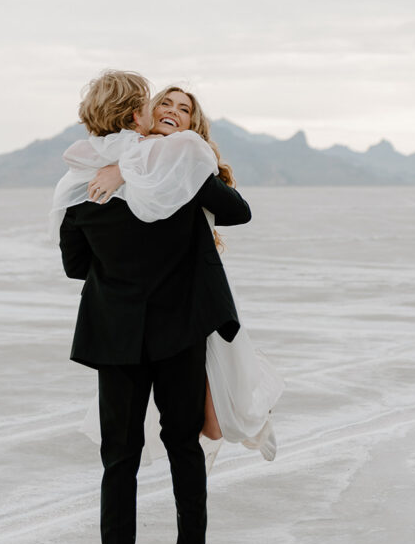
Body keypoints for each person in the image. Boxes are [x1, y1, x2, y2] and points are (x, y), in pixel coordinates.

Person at [55, 70, 253, 544]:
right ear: (135, 114)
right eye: (150, 104)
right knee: (182, 445)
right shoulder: (177, 171)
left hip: (114, 336)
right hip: (178, 334)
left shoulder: (77, 187)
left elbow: (76, 266)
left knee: (119, 457)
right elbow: (238, 211)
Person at [85, 86, 280, 463]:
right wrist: (129, 168)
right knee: (185, 428)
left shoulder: (185, 163)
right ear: (147, 113)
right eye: (165, 103)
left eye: (184, 109)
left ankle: (255, 419)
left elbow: (238, 211)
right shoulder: (128, 159)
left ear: (193, 123)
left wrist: (159, 170)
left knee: (211, 424)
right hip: (144, 313)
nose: (173, 111)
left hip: (192, 304)